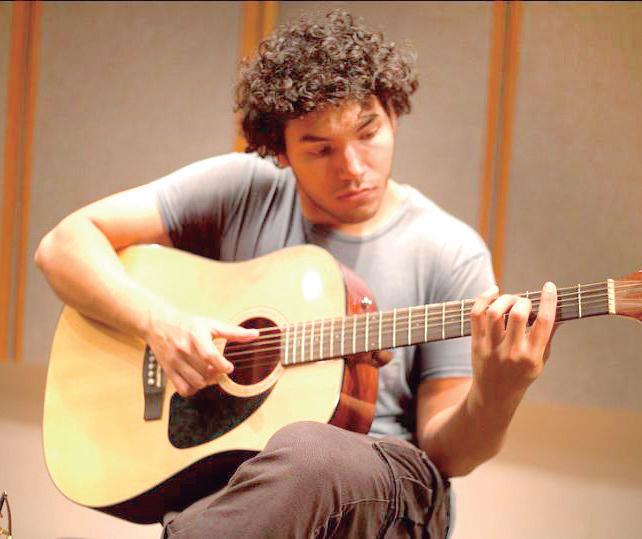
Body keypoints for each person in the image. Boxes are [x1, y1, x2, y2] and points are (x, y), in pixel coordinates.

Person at [35, 9, 558, 538]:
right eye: (321, 149)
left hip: (393, 485)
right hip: (249, 477)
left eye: (368, 132)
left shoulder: (450, 250)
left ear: (393, 115)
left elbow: (449, 456)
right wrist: (159, 323)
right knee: (254, 477)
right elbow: (63, 246)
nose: (353, 166)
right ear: (280, 152)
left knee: (308, 450)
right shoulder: (244, 191)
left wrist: (497, 393)